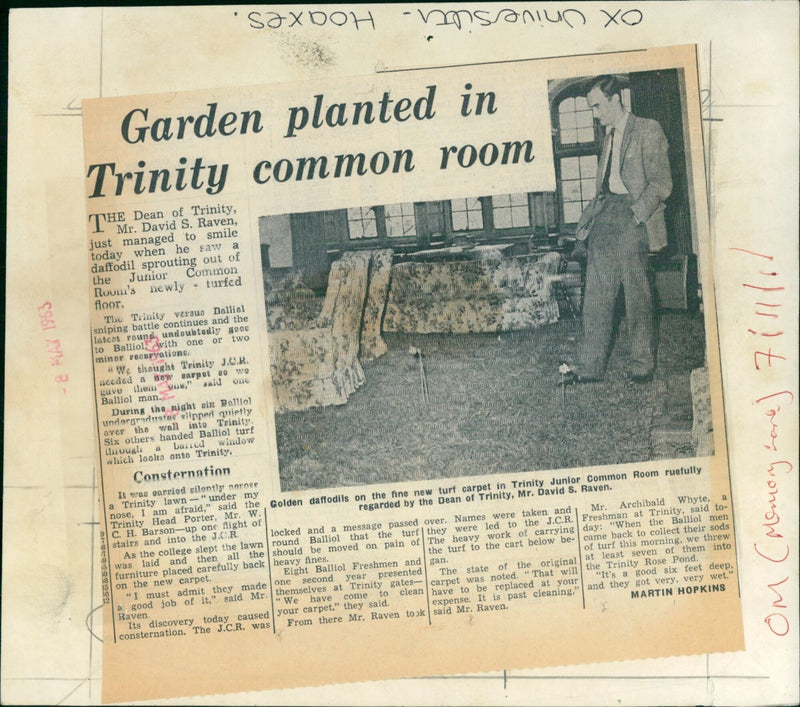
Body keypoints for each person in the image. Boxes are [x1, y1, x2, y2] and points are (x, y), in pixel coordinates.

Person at [568, 74, 672, 384]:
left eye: (598, 106)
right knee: (596, 294)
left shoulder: (647, 129)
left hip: (633, 213)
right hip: (607, 214)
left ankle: (641, 364)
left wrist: (638, 215)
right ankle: (589, 367)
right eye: (592, 108)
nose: (595, 114)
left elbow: (662, 183)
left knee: (636, 295)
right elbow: (603, 187)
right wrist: (589, 220)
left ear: (615, 100)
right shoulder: (609, 137)